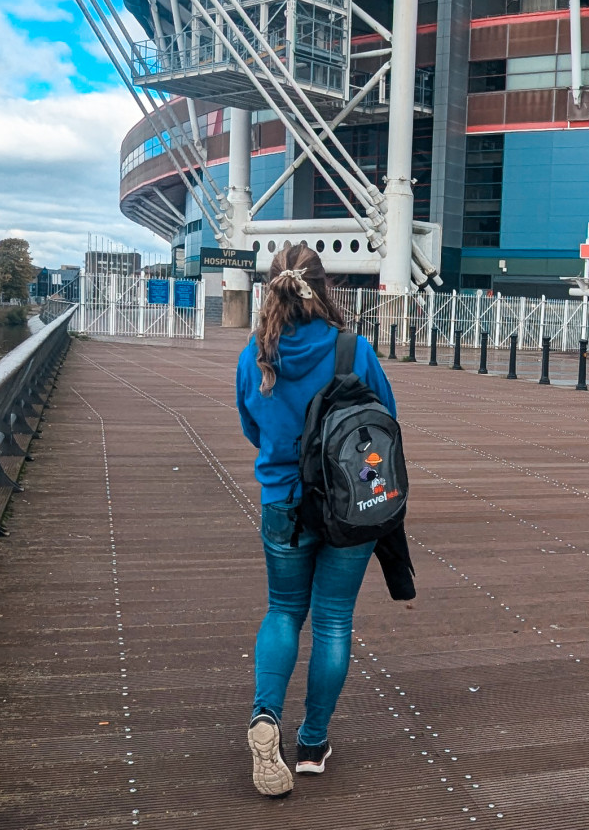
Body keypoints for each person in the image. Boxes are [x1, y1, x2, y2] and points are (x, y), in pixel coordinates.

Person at [235, 244, 398, 799]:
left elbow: (252, 429)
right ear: (325, 289)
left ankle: (265, 716)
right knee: (332, 622)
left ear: (270, 290)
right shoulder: (354, 350)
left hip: (283, 502)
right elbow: (385, 423)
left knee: (283, 611)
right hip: (349, 507)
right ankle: (311, 743)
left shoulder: (256, 353)